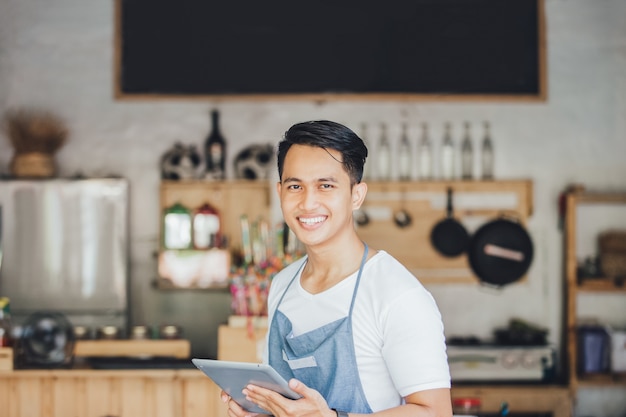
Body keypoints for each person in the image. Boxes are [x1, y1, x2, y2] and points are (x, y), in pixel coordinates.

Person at [222, 120, 452, 417]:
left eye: (326, 185)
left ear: (356, 195)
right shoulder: (282, 285)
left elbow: (435, 412)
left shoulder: (397, 295)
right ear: (280, 193)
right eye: (295, 186)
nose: (308, 202)